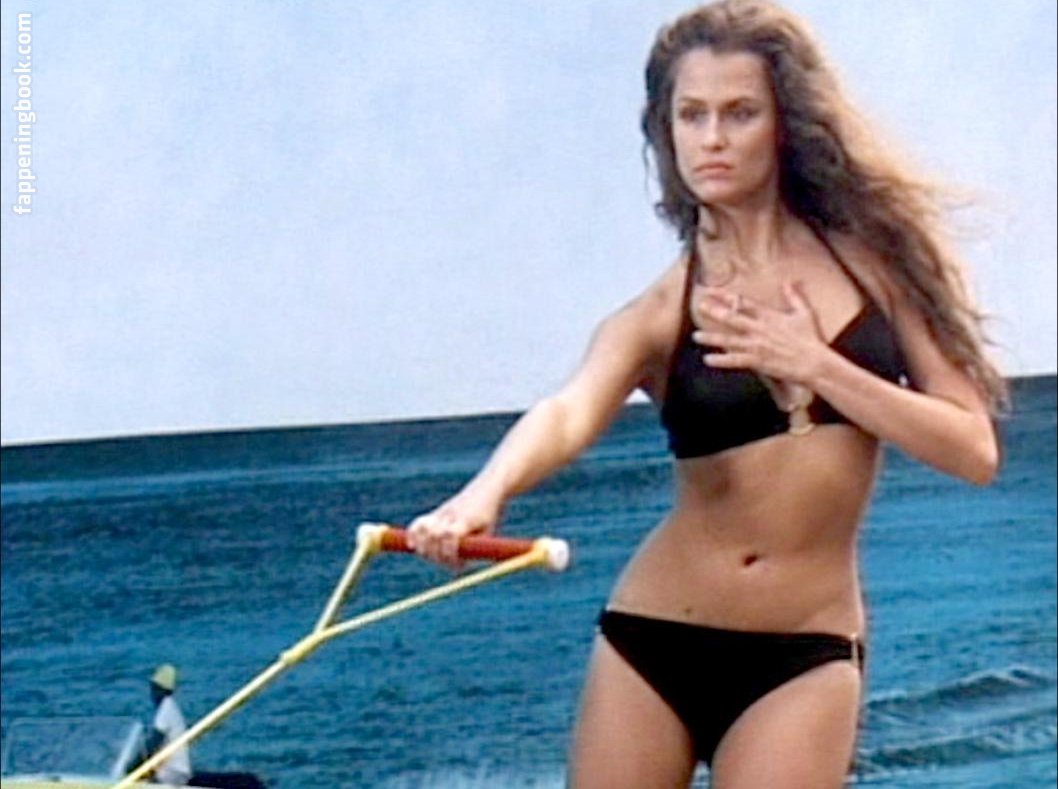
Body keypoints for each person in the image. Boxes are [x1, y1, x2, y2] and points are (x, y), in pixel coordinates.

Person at [407, 1, 1005, 786]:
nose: (712, 137)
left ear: (784, 125)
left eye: (739, 112)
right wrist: (479, 496)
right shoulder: (661, 310)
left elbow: (973, 449)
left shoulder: (877, 270)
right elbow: (567, 411)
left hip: (805, 649)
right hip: (652, 637)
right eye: (692, 115)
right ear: (667, 130)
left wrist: (817, 365)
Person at [139, 663, 193, 786]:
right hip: (174, 770)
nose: (151, 694)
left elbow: (154, 741)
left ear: (161, 689)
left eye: (154, 689)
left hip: (173, 771)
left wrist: (136, 763)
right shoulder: (171, 707)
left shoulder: (166, 708)